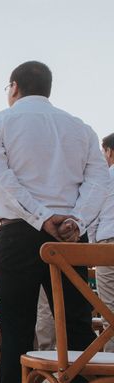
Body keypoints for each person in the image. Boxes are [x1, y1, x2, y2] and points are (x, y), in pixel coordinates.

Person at [0, 61, 111, 383]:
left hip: (19, 234)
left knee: (16, 331)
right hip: (68, 239)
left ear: (14, 87)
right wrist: (74, 219)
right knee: (78, 329)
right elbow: (98, 180)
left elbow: (1, 180)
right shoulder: (81, 128)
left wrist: (43, 217)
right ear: (48, 88)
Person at [89, 132, 114, 352]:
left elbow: (93, 215)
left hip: (108, 244)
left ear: (110, 152)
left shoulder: (106, 177)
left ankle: (109, 375)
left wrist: (91, 248)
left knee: (110, 310)